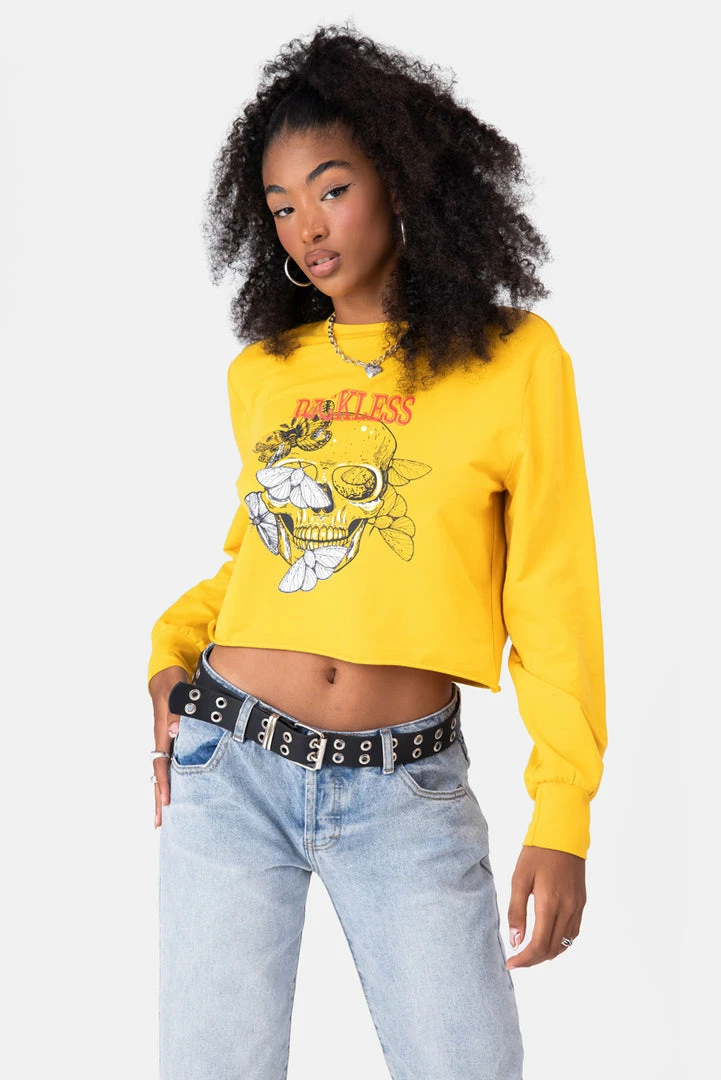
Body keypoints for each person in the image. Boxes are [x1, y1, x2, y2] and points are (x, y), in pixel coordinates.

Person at [148, 24, 607, 1080]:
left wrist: (563, 812)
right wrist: (170, 656)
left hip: (406, 789)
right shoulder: (266, 371)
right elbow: (257, 560)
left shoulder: (513, 360)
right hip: (231, 764)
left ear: (398, 178)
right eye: (281, 206)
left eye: (332, 189)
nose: (307, 227)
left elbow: (550, 589)